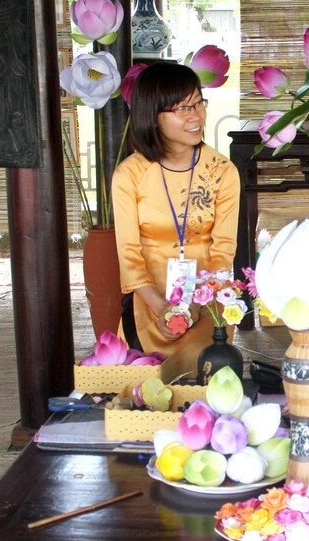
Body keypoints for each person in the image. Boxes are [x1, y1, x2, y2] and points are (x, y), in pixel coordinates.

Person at [113, 62, 240, 380]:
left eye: (198, 102)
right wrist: (160, 308)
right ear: (152, 116)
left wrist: (199, 303)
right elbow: (129, 255)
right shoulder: (130, 174)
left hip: (208, 305)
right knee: (142, 402)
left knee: (206, 395)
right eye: (182, 108)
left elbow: (223, 250)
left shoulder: (222, 172)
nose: (196, 116)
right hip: (149, 303)